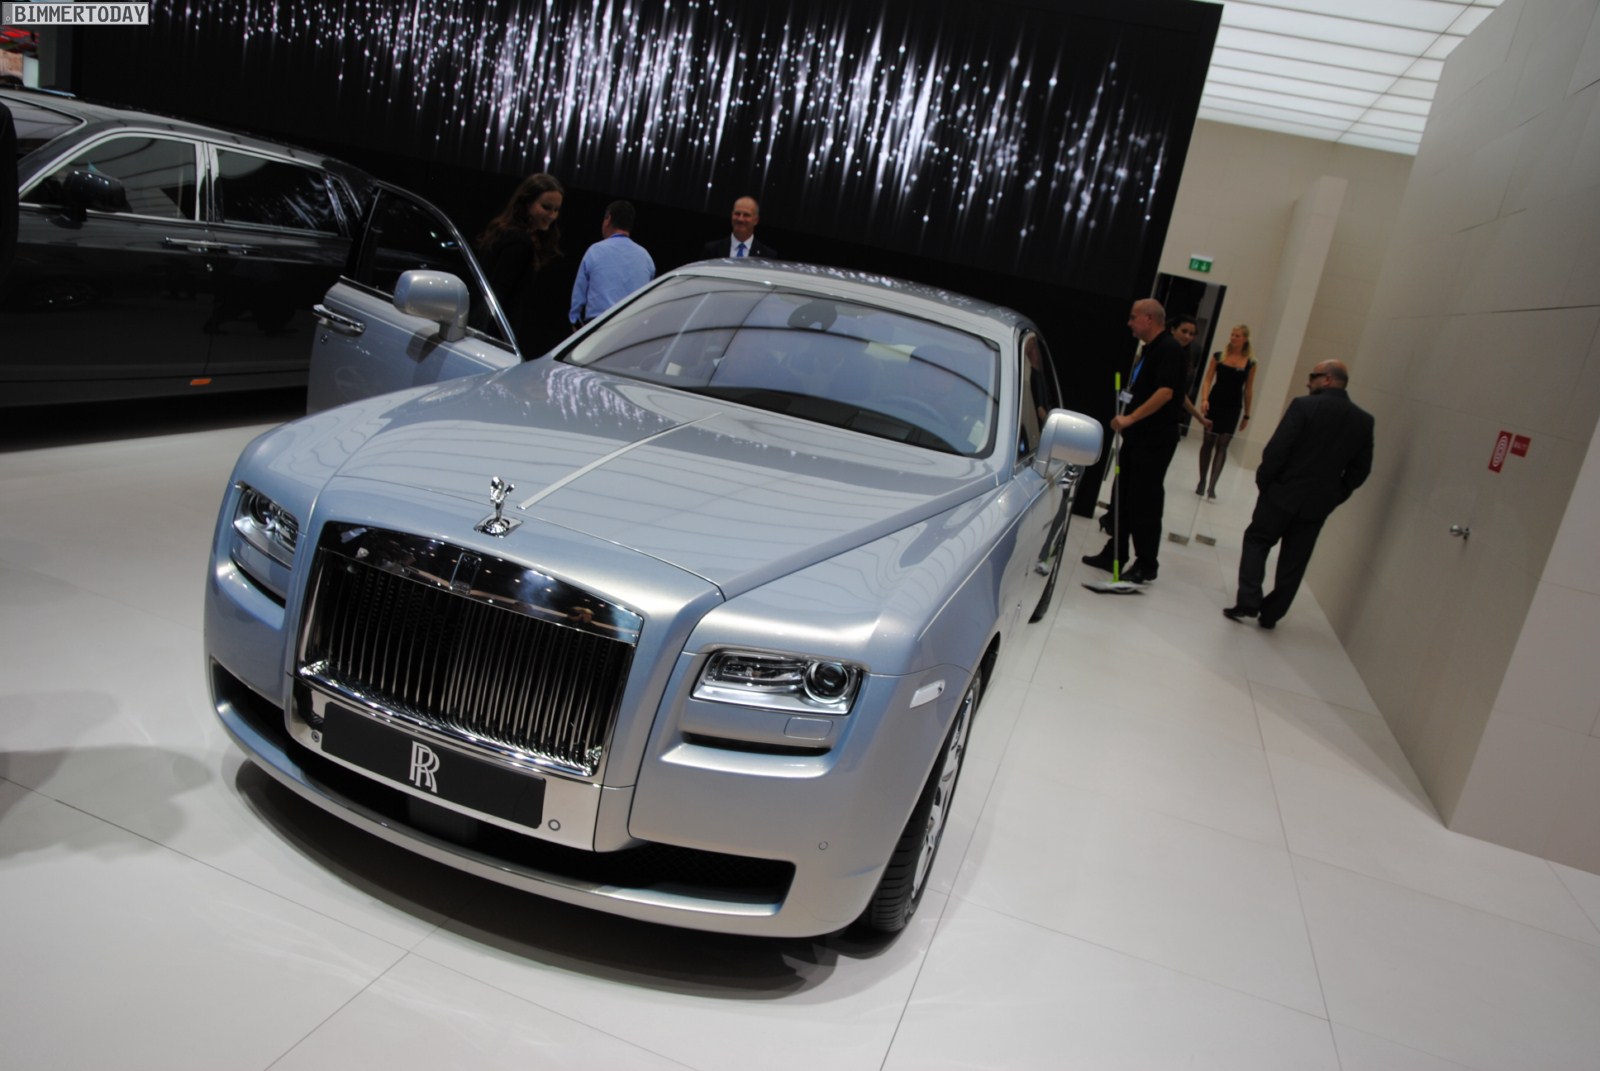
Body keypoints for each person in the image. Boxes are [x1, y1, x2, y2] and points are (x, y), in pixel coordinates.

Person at [1224, 359, 1374, 629]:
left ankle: (1248, 600)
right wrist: (1336, 495)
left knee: (1257, 540)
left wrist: (1266, 482)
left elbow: (1278, 449)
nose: (1308, 382)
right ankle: (1272, 614)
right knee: (1295, 561)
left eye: (1313, 376)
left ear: (1327, 379)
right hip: (1318, 503)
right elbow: (1360, 470)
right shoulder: (1363, 420)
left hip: (1281, 494)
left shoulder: (1304, 406)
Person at [1082, 298, 1187, 583]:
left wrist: (1131, 417)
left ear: (1149, 318)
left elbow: (1166, 392)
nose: (1129, 323)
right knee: (1123, 495)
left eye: (1133, 317)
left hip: (1154, 440)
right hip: (1138, 438)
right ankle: (1115, 552)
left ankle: (1146, 563)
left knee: (1144, 501)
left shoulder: (1169, 349)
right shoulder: (1150, 349)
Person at [477, 173, 567, 355]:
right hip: (495, 337)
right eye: (546, 207)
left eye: (556, 210)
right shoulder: (520, 242)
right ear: (527, 202)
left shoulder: (506, 232)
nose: (552, 215)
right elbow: (498, 293)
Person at [569, 200, 655, 329]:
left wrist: (575, 322)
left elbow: (578, 296)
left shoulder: (595, 251)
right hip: (633, 328)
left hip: (598, 325)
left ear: (608, 219)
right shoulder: (646, 258)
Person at [1196, 323, 1258, 499]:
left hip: (1233, 406)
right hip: (1215, 401)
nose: (1233, 338)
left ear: (1245, 339)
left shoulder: (1251, 363)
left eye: (1237, 335)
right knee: (1208, 441)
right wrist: (1204, 399)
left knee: (1223, 444)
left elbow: (1248, 390)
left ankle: (1212, 485)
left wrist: (1247, 414)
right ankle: (1202, 480)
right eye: (1232, 334)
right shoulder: (1219, 356)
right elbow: (1208, 379)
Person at [702, 195, 778, 259]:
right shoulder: (712, 250)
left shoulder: (767, 256)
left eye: (746, 215)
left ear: (756, 220)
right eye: (737, 214)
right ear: (732, 215)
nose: (740, 219)